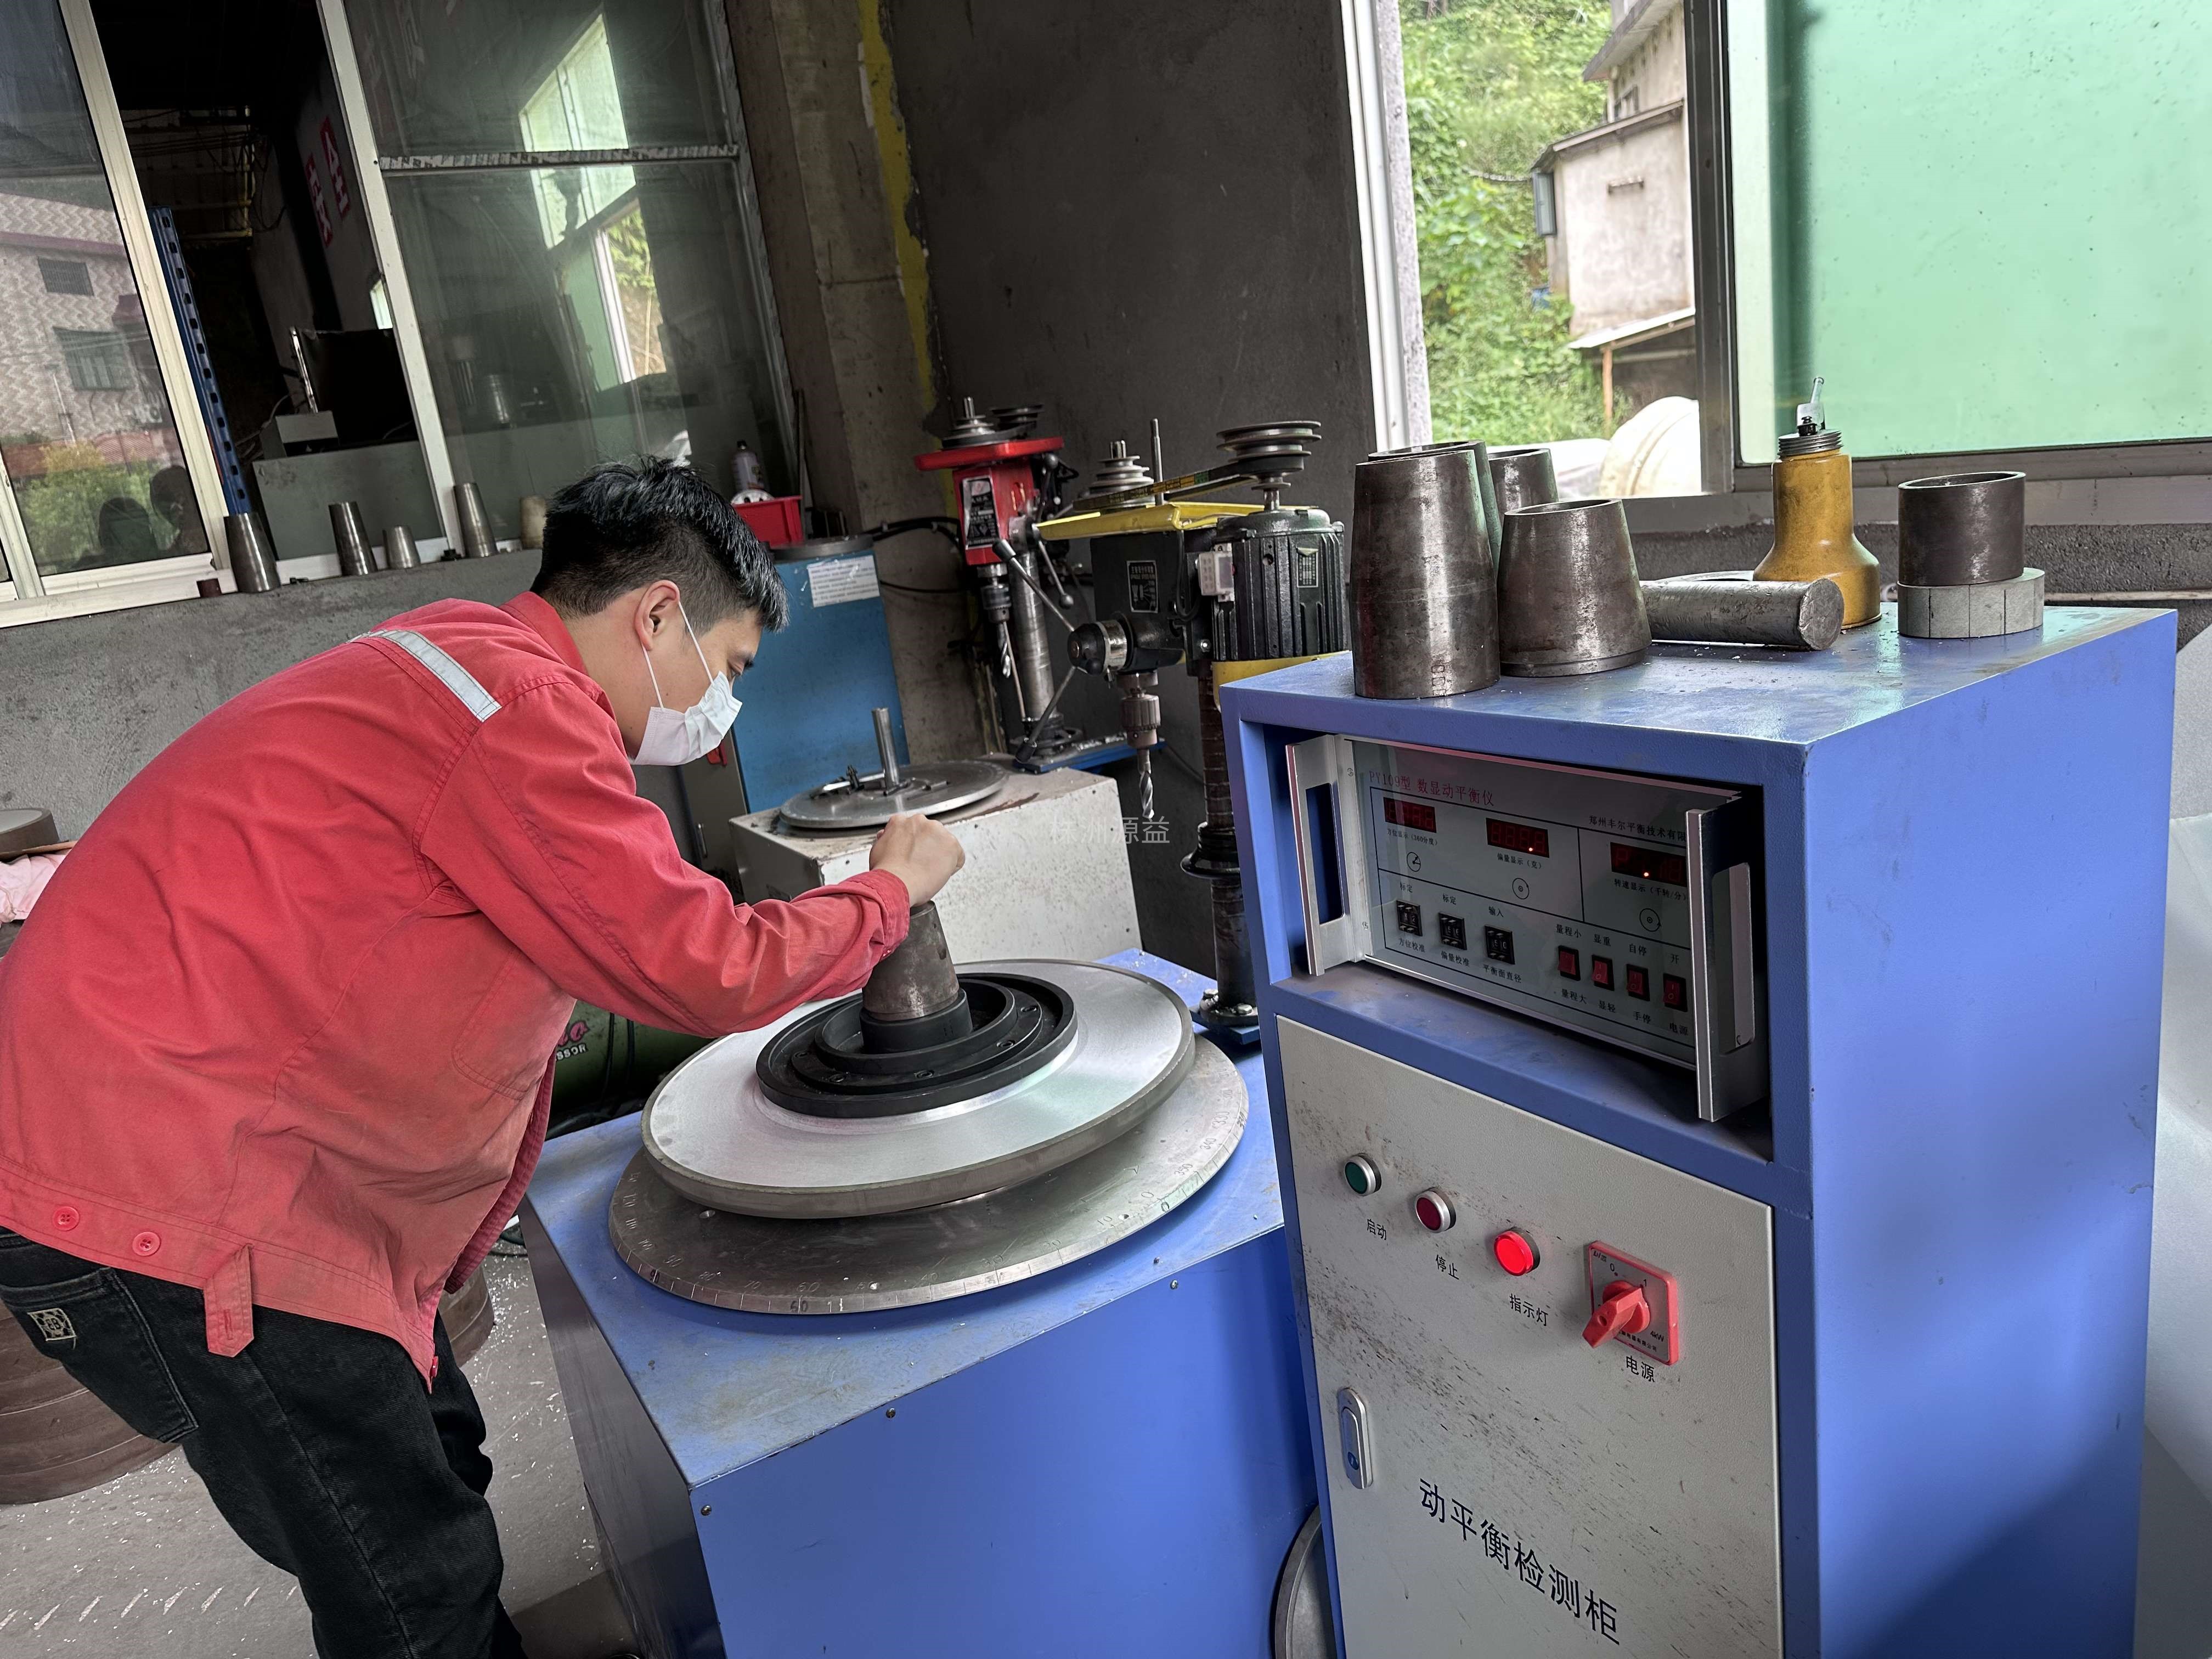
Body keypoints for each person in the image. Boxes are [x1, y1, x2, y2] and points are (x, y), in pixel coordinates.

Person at [0, 458, 962, 1658]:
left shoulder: (455, 665)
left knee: (435, 1462)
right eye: (731, 667)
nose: (723, 708)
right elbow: (702, 966)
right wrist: (887, 892)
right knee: (408, 1578)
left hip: (191, 1162)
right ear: (658, 616)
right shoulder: (518, 706)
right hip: (174, 1198)